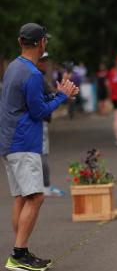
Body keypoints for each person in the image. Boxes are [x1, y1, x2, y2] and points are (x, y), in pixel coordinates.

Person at [0, 23, 78, 271]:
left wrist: (58, 94)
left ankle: (20, 250)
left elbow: (29, 102)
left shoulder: (14, 67)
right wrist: (61, 97)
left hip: (10, 142)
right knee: (36, 196)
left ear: (20, 41)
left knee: (22, 196)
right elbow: (40, 112)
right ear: (42, 43)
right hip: (24, 143)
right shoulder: (32, 73)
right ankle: (18, 254)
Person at [36, 52, 65, 197]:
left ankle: (41, 187)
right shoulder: (37, 77)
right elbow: (51, 95)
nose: (46, 63)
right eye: (44, 60)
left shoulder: (32, 75)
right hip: (38, 122)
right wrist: (62, 94)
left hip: (33, 122)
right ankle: (45, 187)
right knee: (42, 154)